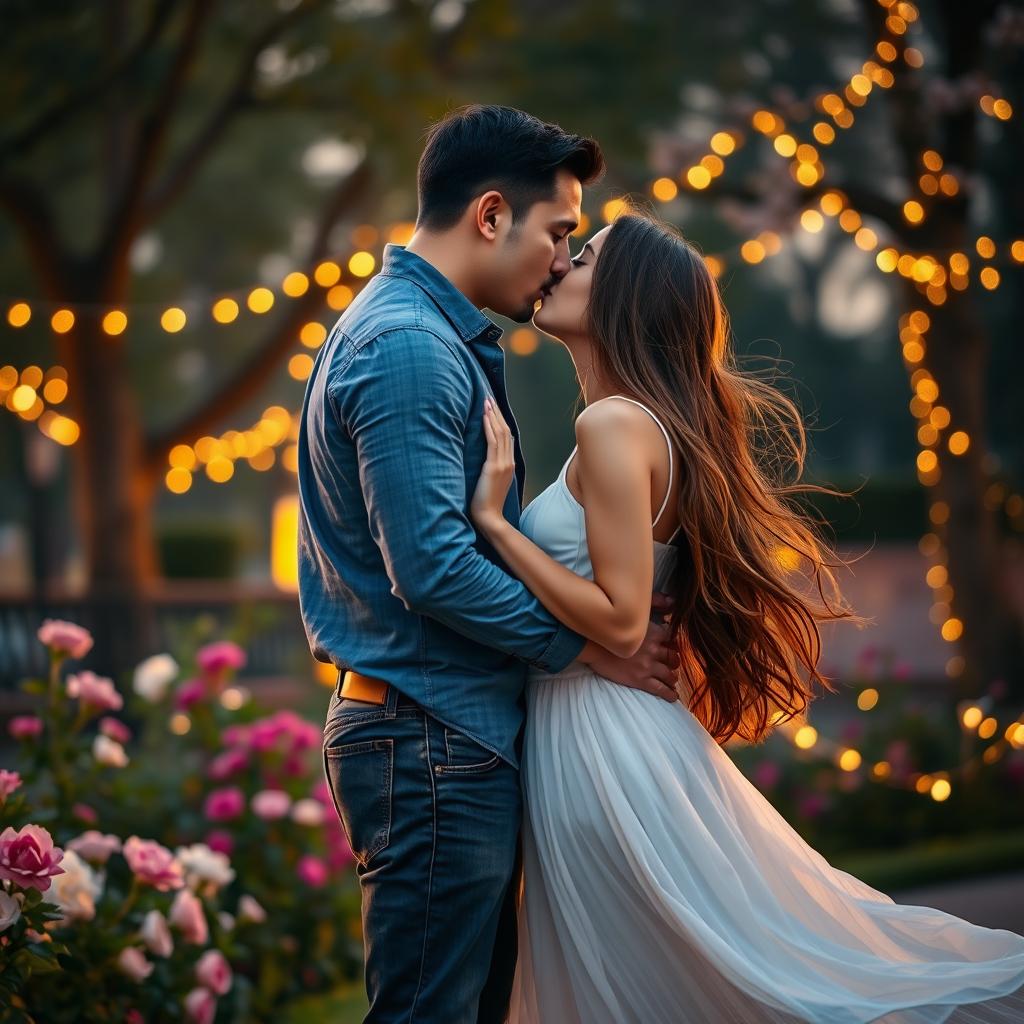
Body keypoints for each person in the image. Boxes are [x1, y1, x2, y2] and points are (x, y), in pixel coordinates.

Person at [468, 210, 1024, 1023]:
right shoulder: (631, 423)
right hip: (604, 732)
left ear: (624, 296)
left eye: (582, 257)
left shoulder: (613, 423)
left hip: (601, 745)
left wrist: (493, 526)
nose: (558, 266)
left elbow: (623, 624)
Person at [296, 106, 681, 1023]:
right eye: (558, 233)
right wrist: (585, 650)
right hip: (431, 740)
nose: (558, 259)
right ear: (492, 215)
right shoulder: (410, 350)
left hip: (438, 734)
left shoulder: (425, 336)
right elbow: (431, 569)